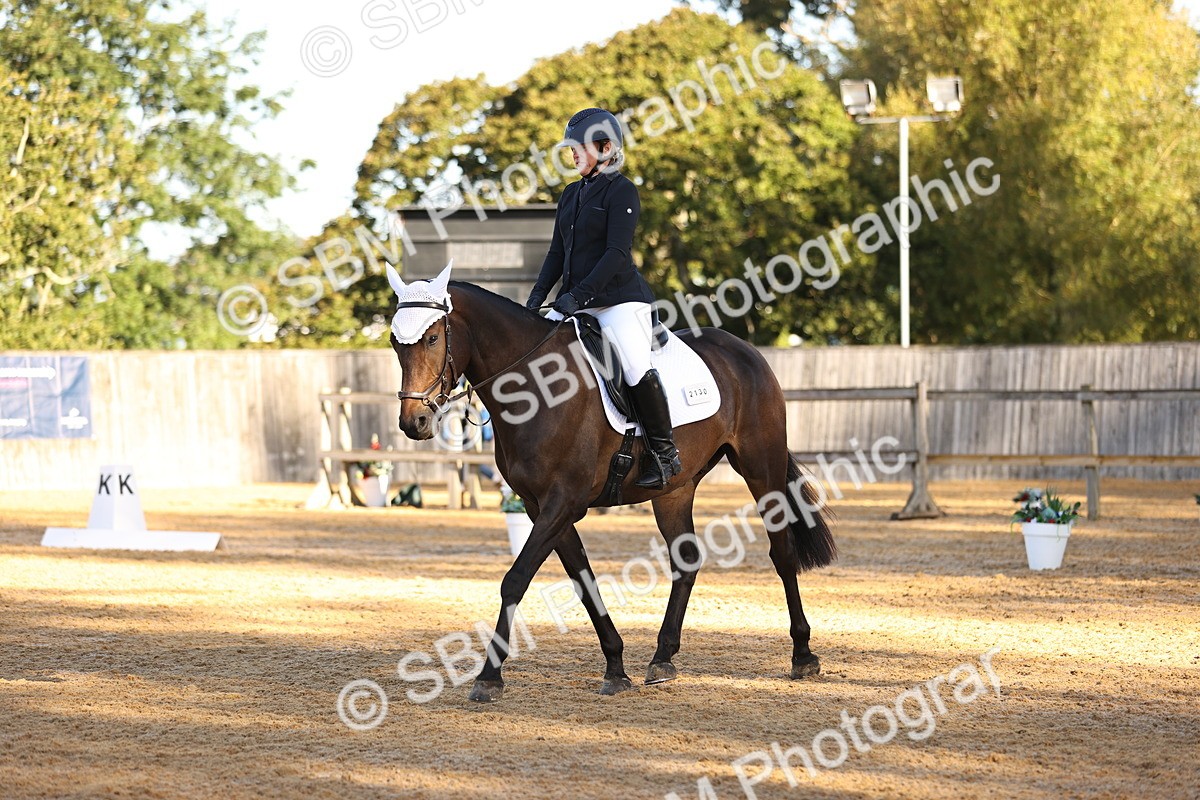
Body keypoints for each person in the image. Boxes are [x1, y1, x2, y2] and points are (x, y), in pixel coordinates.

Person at [525, 107, 681, 490]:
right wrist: (535, 301)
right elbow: (556, 256)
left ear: (606, 147)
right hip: (576, 302)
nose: (572, 154)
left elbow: (616, 254)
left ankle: (665, 454)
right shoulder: (570, 195)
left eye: (578, 148)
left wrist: (576, 296)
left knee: (632, 365)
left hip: (619, 302)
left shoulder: (621, 190)